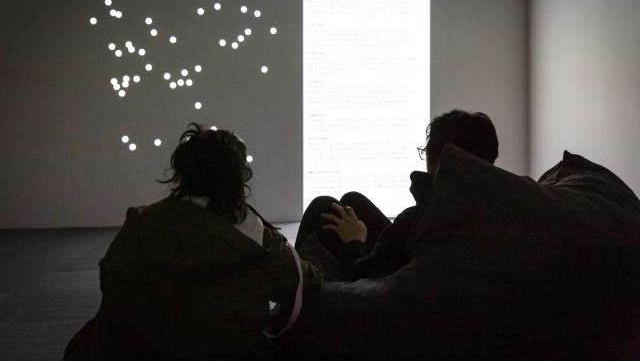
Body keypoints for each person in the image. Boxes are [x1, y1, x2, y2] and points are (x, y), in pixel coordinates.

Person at [64, 123, 323, 361]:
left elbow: (108, 280)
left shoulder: (139, 224)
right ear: (239, 178)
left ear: (182, 174)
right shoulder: (257, 242)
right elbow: (304, 281)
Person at [295, 110, 499, 281]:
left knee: (322, 209)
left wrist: (355, 241)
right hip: (420, 269)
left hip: (388, 296)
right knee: (352, 201)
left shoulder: (417, 220)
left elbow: (361, 279)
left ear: (439, 158)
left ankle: (291, 300)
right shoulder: (492, 210)